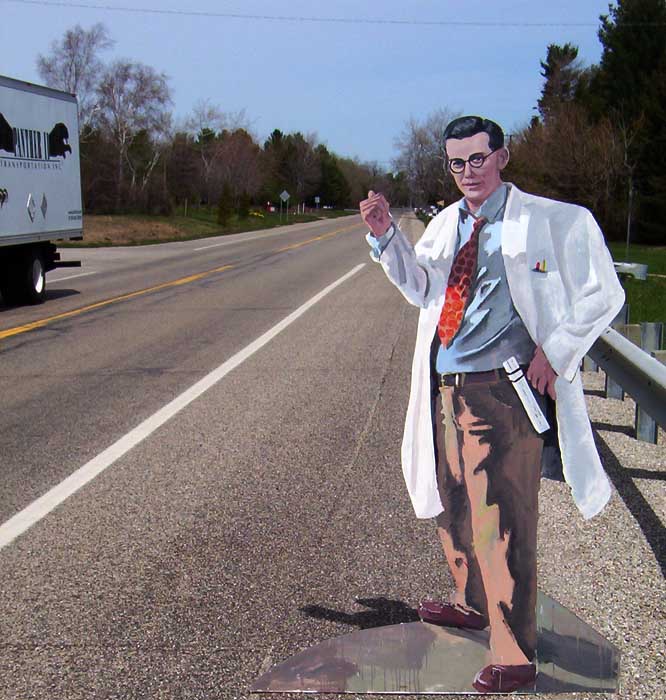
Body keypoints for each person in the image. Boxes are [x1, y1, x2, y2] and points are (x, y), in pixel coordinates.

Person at [359, 115, 624, 694]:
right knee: (452, 502)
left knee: (500, 519)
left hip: (503, 390)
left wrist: (556, 351)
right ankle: (472, 602)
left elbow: (604, 292)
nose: (468, 172)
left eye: (478, 158)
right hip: (446, 384)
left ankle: (514, 652)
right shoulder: (447, 224)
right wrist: (386, 238)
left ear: (503, 157)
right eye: (457, 162)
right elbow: (422, 289)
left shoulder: (555, 220)